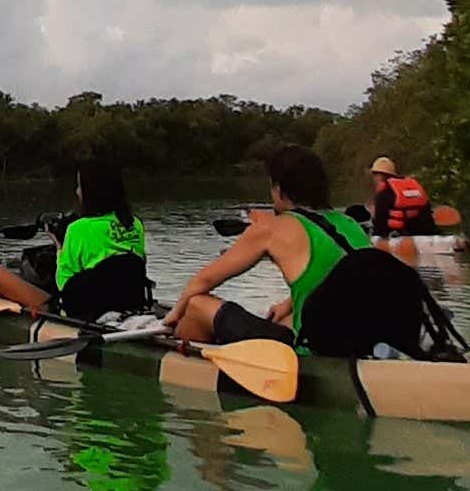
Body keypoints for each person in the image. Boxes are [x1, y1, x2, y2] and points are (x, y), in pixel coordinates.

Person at [161, 146, 377, 346]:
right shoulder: (351, 225)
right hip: (359, 341)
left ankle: (189, 364)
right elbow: (337, 279)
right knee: (285, 318)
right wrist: (289, 303)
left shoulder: (271, 227)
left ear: (279, 189)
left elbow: (204, 280)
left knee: (197, 305)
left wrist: (173, 316)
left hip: (312, 348)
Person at [0, 160, 153, 323]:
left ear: (91, 191)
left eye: (79, 186)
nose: (77, 192)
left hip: (82, 312)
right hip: (130, 302)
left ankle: (4, 320)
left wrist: (60, 247)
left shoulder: (78, 229)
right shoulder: (134, 223)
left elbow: (63, 285)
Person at [367, 156, 437, 238]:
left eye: (374, 175)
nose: (374, 179)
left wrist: (374, 237)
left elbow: (380, 223)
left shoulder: (384, 193)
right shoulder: (413, 186)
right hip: (427, 234)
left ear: (380, 176)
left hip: (401, 238)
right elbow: (427, 210)